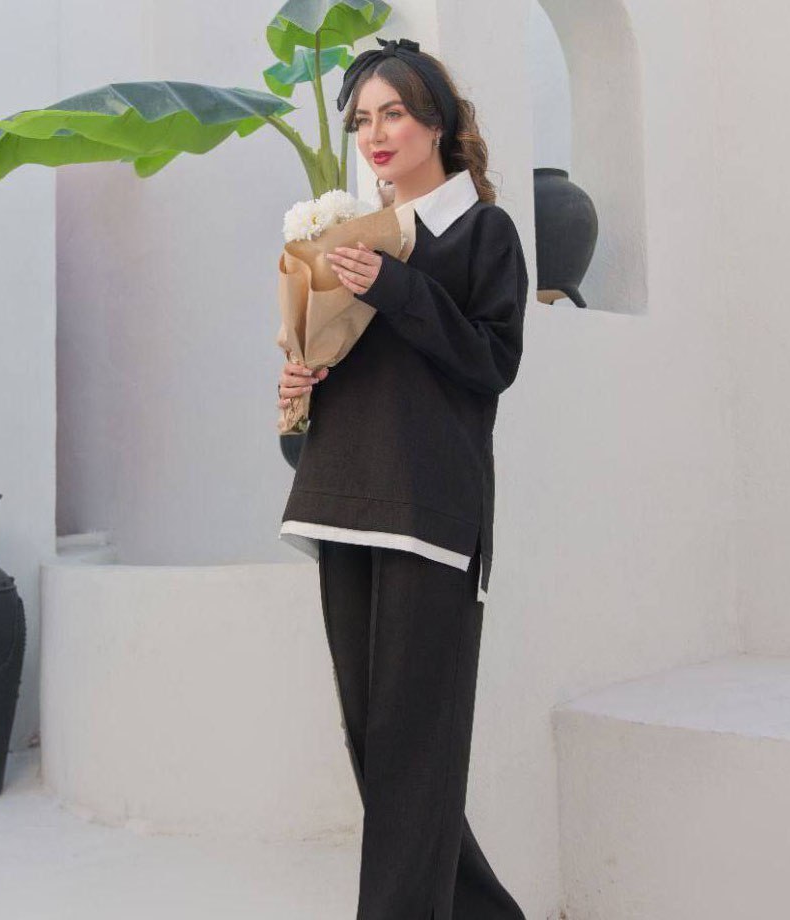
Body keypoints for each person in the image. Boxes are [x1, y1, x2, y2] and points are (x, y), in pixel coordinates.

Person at [276, 36, 529, 920]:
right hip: (342, 498)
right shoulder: (344, 238)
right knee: (381, 751)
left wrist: (397, 286)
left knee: (414, 749)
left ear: (436, 123)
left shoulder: (484, 232)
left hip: (430, 511)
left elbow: (493, 362)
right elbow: (354, 379)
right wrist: (300, 388)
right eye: (362, 120)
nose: (375, 135)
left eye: (393, 114)